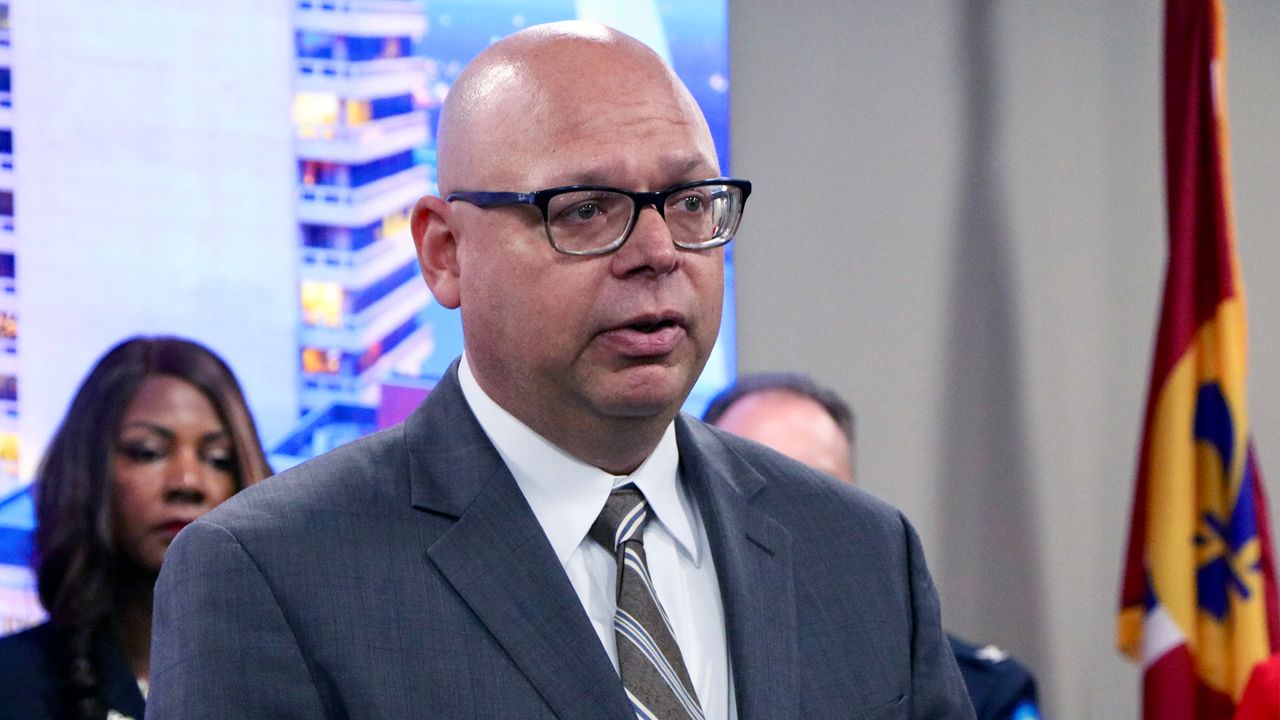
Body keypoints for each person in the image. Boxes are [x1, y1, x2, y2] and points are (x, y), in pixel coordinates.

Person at [149, 22, 974, 719]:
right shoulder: (270, 573)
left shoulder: (863, 554)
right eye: (586, 210)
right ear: (444, 253)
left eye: (690, 204)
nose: (657, 254)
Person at [704, 372, 1042, 720]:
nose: (789, 518)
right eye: (756, 489)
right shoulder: (673, 666)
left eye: (817, 488)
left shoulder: (984, 691)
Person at [0, 336, 272, 720]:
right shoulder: (12, 686)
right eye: (148, 452)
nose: (188, 481)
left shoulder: (300, 687)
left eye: (218, 458)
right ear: (89, 475)